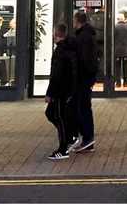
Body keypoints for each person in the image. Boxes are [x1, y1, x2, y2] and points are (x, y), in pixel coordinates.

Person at [44, 24, 78, 161]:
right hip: (67, 89)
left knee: (59, 117)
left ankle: (63, 148)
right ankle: (70, 137)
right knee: (51, 113)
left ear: (56, 34)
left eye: (54, 33)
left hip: (60, 90)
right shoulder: (69, 48)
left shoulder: (60, 51)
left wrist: (50, 93)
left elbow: (56, 75)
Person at [68, 10, 99, 153]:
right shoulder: (87, 35)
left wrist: (78, 75)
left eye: (74, 20)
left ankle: (87, 138)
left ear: (77, 21)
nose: (72, 22)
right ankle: (85, 138)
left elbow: (84, 59)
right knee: (81, 107)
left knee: (82, 108)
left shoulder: (83, 37)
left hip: (83, 78)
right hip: (85, 78)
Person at [112, 12, 127, 88]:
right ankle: (126, 82)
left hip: (117, 50)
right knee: (126, 67)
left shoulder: (114, 27)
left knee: (117, 67)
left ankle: (118, 82)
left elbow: (112, 39)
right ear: (124, 19)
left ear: (118, 19)